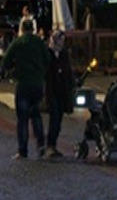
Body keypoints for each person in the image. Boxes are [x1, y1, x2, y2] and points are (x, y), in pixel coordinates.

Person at [2, 19, 50, 159]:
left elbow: (6, 61)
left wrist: (12, 69)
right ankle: (41, 145)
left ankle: (23, 150)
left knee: (22, 119)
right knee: (36, 115)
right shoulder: (39, 42)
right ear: (33, 29)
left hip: (23, 83)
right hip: (37, 82)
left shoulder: (18, 42)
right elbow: (47, 59)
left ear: (22, 29)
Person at [44, 29, 75, 157]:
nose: (62, 43)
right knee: (55, 118)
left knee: (58, 120)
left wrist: (72, 83)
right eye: (60, 40)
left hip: (62, 90)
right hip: (51, 90)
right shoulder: (48, 53)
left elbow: (68, 70)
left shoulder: (63, 54)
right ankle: (50, 145)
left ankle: (53, 145)